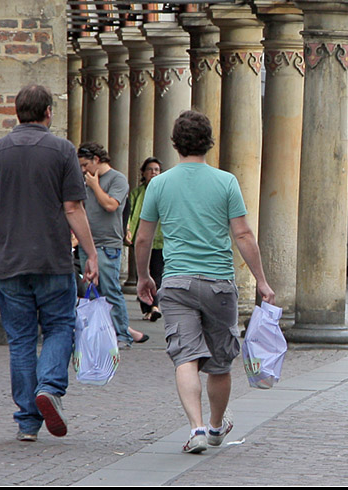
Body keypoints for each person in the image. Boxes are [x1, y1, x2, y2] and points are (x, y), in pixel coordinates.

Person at [134, 110, 275, 454]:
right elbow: (242, 234)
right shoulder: (226, 182)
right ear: (209, 142)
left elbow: (142, 238)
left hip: (177, 282)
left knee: (185, 357)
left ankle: (195, 428)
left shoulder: (159, 183)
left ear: (175, 143)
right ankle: (215, 427)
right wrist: (262, 281)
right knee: (220, 362)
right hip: (218, 283)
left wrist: (143, 277)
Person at [0, 84, 100, 442]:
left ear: (16, 111)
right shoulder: (62, 151)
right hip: (53, 259)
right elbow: (73, 207)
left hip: (9, 262)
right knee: (59, 328)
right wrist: (91, 252)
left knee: (21, 340)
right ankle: (50, 387)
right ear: (48, 113)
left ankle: (27, 421)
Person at [77, 142, 145, 347]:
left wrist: (95, 186)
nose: (83, 170)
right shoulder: (84, 180)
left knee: (110, 289)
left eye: (86, 164)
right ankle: (100, 333)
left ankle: (123, 334)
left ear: (97, 160)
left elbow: (110, 205)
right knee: (91, 291)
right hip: (86, 243)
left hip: (107, 244)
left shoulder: (117, 179)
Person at [125, 157, 164, 321]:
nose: (153, 172)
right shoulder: (136, 193)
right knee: (142, 273)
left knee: (157, 273)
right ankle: (147, 307)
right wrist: (127, 230)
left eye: (156, 170)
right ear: (143, 172)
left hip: (160, 239)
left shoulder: (165, 193)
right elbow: (129, 213)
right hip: (141, 238)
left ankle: (154, 305)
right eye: (150, 169)